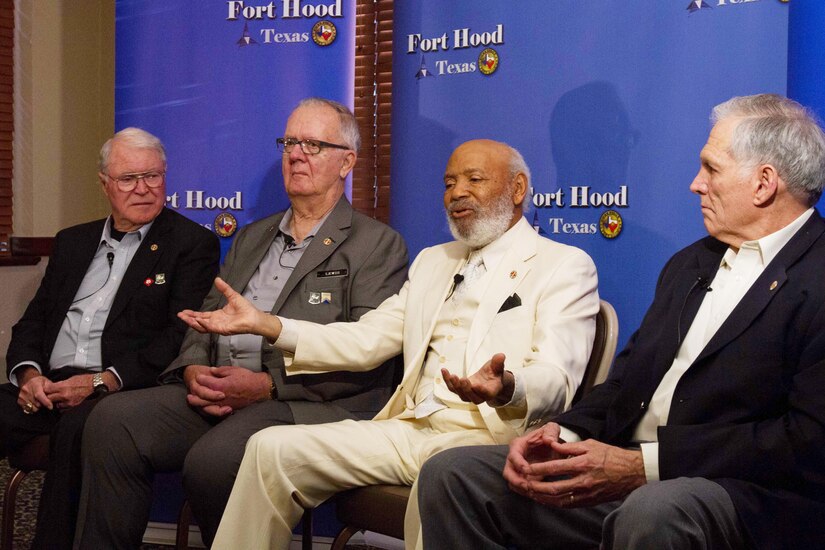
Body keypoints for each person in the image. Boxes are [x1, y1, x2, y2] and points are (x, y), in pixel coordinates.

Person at [417, 94, 825, 550]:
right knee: (453, 474)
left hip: (740, 494)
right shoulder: (691, 264)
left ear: (764, 183)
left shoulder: (817, 276)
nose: (695, 184)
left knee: (653, 512)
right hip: (627, 473)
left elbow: (806, 442)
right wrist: (562, 432)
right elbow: (625, 384)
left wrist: (645, 467)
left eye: (711, 168)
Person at [179, 138, 601, 549]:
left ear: (518, 188)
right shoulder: (433, 261)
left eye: (475, 179)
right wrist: (268, 324)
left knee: (440, 480)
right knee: (269, 448)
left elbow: (557, 377)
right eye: (449, 183)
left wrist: (508, 385)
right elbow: (366, 338)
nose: (458, 193)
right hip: (408, 427)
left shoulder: (562, 265)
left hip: (486, 440)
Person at [73, 98, 409, 548]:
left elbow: (367, 354)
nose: (295, 154)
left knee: (215, 462)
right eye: (289, 142)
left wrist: (266, 386)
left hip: (305, 402)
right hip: (218, 392)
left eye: (312, 144)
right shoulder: (254, 235)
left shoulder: (375, 244)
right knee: (113, 421)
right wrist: (193, 368)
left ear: (346, 161)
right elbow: (205, 316)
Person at [0, 127, 220, 550]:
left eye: (152, 176)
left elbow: (179, 336)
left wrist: (101, 382)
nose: (143, 189)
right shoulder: (73, 242)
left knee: (80, 430)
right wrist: (28, 376)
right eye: (128, 179)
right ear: (105, 184)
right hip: (46, 387)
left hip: (115, 390)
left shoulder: (191, 244)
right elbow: (34, 322)